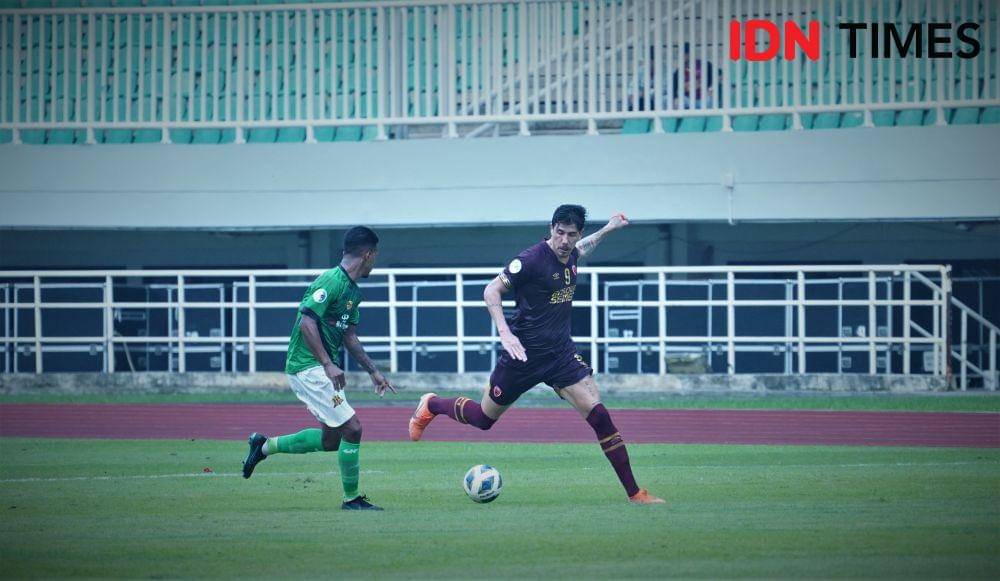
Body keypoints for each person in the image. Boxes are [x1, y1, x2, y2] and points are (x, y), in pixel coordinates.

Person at [408, 205, 664, 505]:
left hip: (560, 356)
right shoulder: (530, 260)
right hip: (522, 357)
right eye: (559, 233)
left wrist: (608, 228)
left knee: (600, 417)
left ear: (577, 233)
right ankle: (432, 404)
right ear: (551, 228)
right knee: (483, 419)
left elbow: (583, 248)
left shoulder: (571, 253)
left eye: (571, 234)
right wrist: (505, 332)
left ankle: (635, 494)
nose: (565, 240)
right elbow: (491, 291)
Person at [242, 226, 396, 511]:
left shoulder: (352, 292)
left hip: (320, 367)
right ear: (368, 254)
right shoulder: (331, 281)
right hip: (308, 366)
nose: (375, 261)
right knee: (353, 428)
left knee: (330, 440)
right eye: (376, 255)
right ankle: (351, 499)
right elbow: (306, 321)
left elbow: (349, 336)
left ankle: (263, 446)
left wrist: (373, 371)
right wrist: (327, 364)